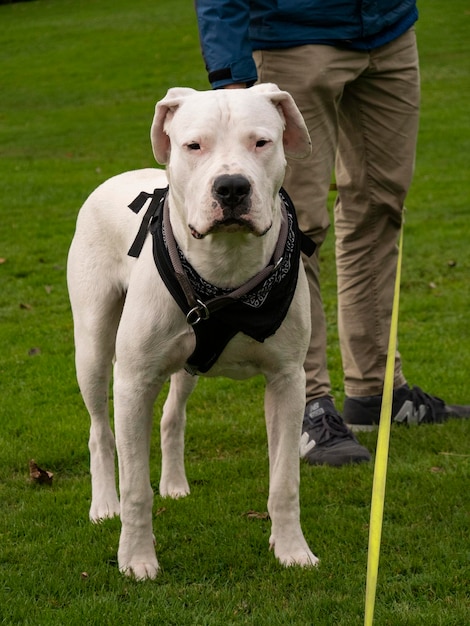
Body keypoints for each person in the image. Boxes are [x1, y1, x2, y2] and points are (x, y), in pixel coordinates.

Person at [195, 1, 470, 467]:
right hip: (293, 38)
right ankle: (310, 406)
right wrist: (232, 80)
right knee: (296, 228)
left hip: (391, 30)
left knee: (380, 208)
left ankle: (378, 391)